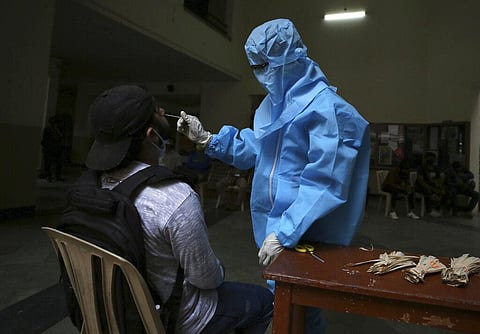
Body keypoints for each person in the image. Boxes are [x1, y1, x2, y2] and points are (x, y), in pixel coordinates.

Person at [177, 19, 370, 333]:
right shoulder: (273, 105)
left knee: (303, 308)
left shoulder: (328, 111)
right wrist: (208, 139)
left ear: (289, 58)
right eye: (255, 66)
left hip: (308, 232)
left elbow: (325, 181)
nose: (260, 74)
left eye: (264, 65)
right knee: (286, 302)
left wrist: (286, 232)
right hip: (275, 228)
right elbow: (256, 150)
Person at [84, 85, 273, 334]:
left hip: (108, 310)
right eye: (157, 110)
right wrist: (219, 269)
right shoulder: (174, 198)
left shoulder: (87, 190)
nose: (164, 110)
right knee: (265, 301)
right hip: (167, 318)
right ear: (152, 136)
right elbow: (206, 279)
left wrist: (207, 139)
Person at [415, 152, 446, 217]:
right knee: (428, 191)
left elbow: (439, 180)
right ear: (426, 159)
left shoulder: (436, 168)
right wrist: (434, 189)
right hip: (420, 186)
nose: (432, 159)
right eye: (430, 157)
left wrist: (442, 188)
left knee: (445, 192)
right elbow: (421, 182)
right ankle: (429, 211)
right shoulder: (421, 168)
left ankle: (437, 208)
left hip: (432, 186)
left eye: (433, 158)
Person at [40, 115, 65, 182]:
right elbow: (44, 140)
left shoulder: (59, 130)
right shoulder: (48, 130)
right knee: (48, 163)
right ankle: (49, 176)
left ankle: (57, 176)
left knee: (58, 163)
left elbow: (60, 139)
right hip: (50, 149)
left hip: (57, 149)